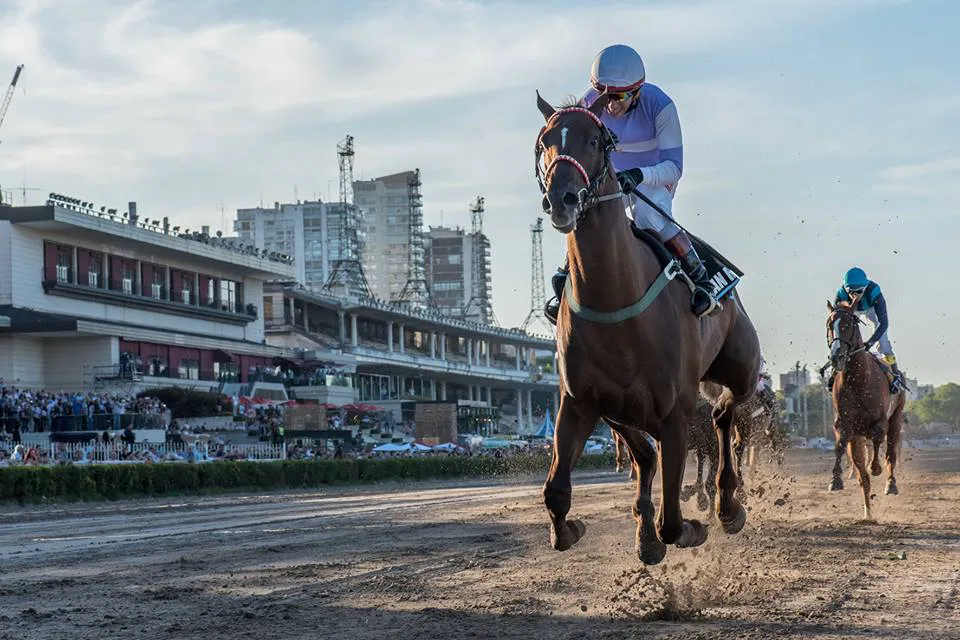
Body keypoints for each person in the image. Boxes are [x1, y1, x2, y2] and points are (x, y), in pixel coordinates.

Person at [544, 43, 719, 324]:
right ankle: (567, 272)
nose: (611, 104)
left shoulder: (660, 106)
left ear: (637, 90)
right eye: (605, 95)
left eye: (620, 96)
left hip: (654, 178)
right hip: (609, 180)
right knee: (587, 213)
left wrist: (639, 175)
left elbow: (674, 168)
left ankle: (699, 278)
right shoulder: (589, 104)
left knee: (647, 214)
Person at [827, 267, 903, 394]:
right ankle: (834, 372)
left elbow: (884, 323)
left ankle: (895, 374)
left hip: (871, 310)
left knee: (883, 343)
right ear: (845, 288)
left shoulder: (874, 291)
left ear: (865, 287)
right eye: (850, 291)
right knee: (841, 339)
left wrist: (871, 342)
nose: (854, 295)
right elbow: (836, 321)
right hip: (851, 311)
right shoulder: (841, 294)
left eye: (859, 291)